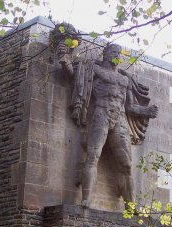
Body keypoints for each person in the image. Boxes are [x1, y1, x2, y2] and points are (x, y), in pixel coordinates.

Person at [60, 42, 158, 208]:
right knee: (93, 156)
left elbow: (129, 106)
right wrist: (65, 60)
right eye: (114, 52)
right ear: (105, 54)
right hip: (101, 114)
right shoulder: (95, 70)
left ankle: (130, 207)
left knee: (126, 164)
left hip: (120, 119)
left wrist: (146, 111)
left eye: (119, 54)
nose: (117, 56)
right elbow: (76, 80)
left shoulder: (124, 79)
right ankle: (86, 199)